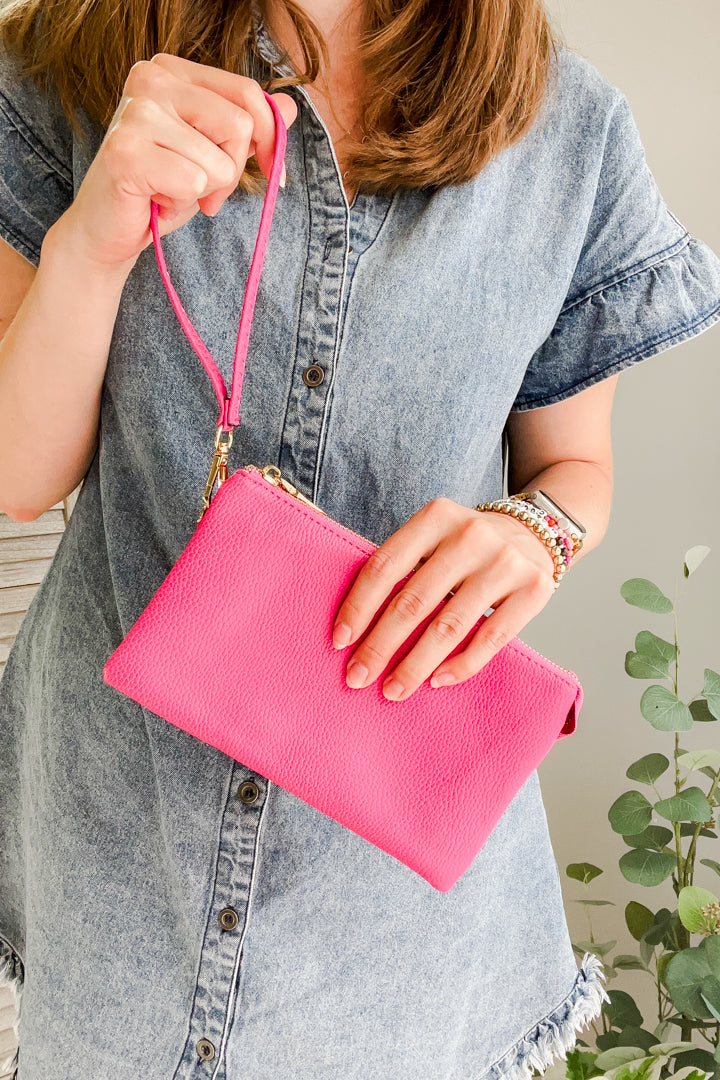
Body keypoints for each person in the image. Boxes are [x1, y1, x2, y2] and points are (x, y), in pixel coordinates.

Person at [0, 0, 719, 1075]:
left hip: (395, 919)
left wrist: (534, 535)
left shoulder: (571, 132)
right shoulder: (61, 66)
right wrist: (92, 245)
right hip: (119, 852)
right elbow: (20, 476)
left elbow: (575, 470)